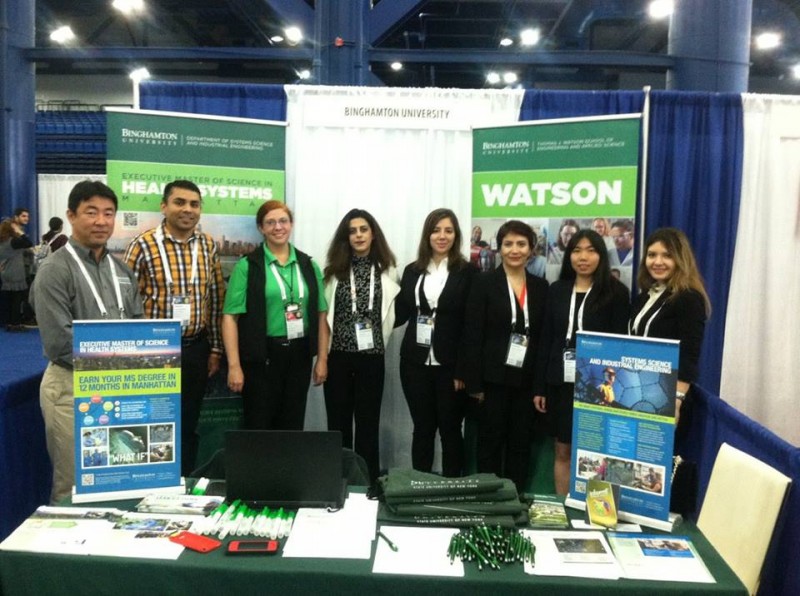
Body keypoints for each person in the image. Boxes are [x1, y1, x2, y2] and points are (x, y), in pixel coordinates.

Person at [29, 180, 144, 503]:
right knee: (74, 485)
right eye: (91, 212)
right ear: (71, 215)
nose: (101, 221)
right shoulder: (54, 269)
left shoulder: (120, 268)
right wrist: (120, 362)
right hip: (72, 386)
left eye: (109, 213)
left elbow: (136, 325)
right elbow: (59, 343)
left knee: (118, 478)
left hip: (120, 387)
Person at [125, 180, 226, 476]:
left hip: (196, 348)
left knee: (188, 421)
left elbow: (216, 298)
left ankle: (185, 482)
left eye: (194, 204)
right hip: (154, 351)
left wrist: (216, 349)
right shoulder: (143, 245)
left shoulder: (207, 245)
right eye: (180, 202)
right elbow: (126, 301)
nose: (187, 210)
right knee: (153, 422)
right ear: (164, 206)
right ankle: (155, 483)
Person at [533, 229, 630, 495]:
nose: (583, 257)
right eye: (576, 250)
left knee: (597, 451)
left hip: (597, 386)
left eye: (590, 250)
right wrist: (540, 386)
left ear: (601, 255)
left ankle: (597, 512)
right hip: (559, 382)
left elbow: (620, 346)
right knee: (562, 448)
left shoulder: (616, 293)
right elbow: (546, 339)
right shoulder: (557, 290)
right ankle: (564, 509)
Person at [222, 200, 328, 431]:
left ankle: (288, 468)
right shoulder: (248, 266)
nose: (277, 227)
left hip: (299, 356)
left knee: (292, 424)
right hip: (262, 358)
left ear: (291, 225)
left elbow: (321, 316)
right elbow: (230, 318)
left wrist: (322, 359)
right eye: (270, 222)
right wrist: (234, 366)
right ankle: (259, 469)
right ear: (261, 228)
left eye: (283, 221)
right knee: (259, 424)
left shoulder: (308, 265)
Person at [462, 220, 548, 492]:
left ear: (531, 249)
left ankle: (515, 498)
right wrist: (474, 383)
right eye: (508, 244)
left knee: (520, 445)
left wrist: (540, 386)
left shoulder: (540, 287)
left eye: (521, 244)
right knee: (489, 442)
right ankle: (489, 500)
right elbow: (472, 334)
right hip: (492, 381)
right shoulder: (484, 282)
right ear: (499, 248)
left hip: (526, 381)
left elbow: (543, 338)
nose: (514, 250)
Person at [395, 208, 476, 477]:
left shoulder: (467, 272)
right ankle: (420, 488)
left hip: (451, 367)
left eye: (448, 230)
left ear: (456, 235)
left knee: (450, 429)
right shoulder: (412, 270)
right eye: (436, 230)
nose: (442, 236)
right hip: (414, 363)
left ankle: (453, 490)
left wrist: (464, 370)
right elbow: (400, 313)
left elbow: (470, 325)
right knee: (423, 428)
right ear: (427, 234)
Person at [321, 209, 399, 482]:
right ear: (346, 237)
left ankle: (367, 483)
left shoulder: (389, 271)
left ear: (372, 233)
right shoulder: (332, 273)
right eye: (352, 231)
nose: (358, 235)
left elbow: (395, 313)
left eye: (363, 229)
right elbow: (324, 318)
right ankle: (338, 479)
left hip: (372, 358)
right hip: (338, 357)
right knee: (338, 426)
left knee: (368, 425)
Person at [628, 227, 711, 436]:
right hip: (638, 393)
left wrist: (677, 400)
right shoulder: (645, 296)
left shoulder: (689, 297)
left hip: (667, 397)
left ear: (680, 259)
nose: (657, 262)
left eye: (667, 255)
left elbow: (689, 355)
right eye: (651, 255)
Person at [0, 218, 34, 331]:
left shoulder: (2, 242)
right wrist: (20, 232)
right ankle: (16, 323)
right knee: (17, 299)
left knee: (9, 299)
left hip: (5, 272)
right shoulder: (13, 242)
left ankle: (9, 322)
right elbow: (29, 243)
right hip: (15, 272)